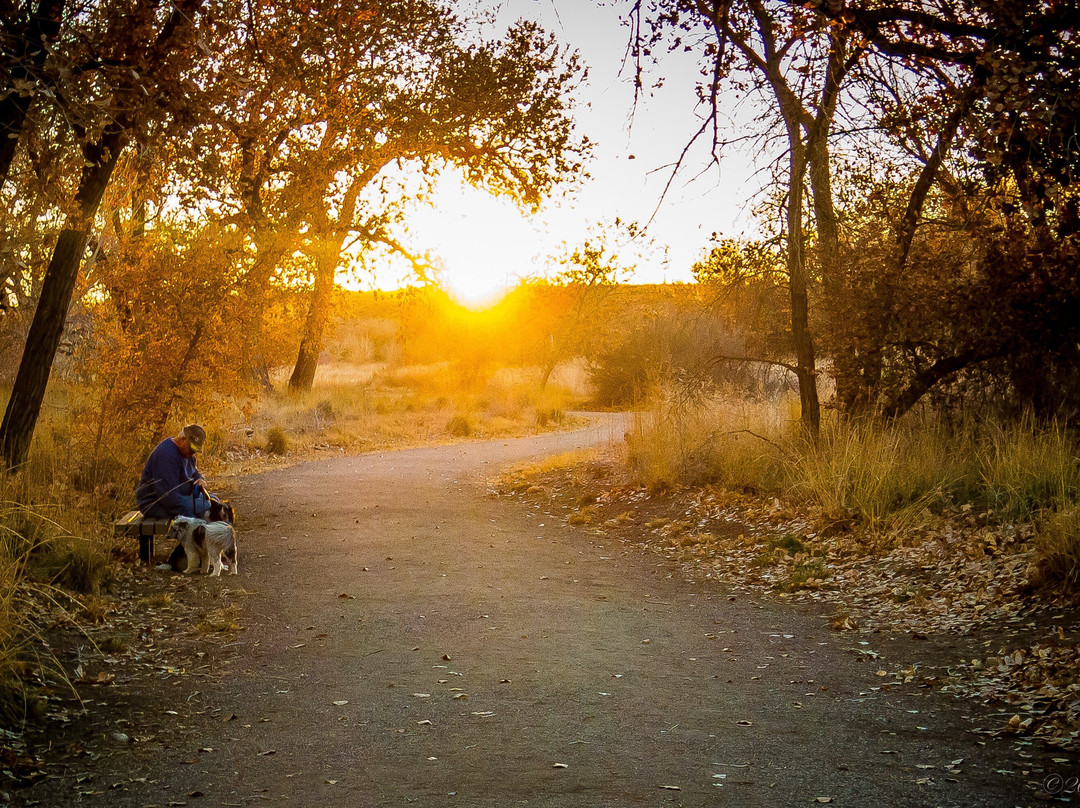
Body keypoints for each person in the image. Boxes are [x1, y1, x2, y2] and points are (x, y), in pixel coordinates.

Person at [136, 425, 210, 520]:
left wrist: (199, 479)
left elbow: (193, 472)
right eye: (191, 448)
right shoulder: (166, 456)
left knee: (212, 502)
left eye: (195, 450)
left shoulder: (186, 453)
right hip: (155, 504)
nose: (192, 452)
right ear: (183, 439)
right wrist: (192, 519)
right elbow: (168, 497)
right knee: (204, 505)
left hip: (177, 496)